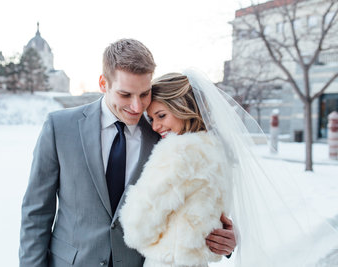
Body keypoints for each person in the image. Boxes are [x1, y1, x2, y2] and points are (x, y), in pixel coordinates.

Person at [19, 40, 235, 267]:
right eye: (125, 94)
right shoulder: (60, 127)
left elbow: (200, 203)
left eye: (144, 94)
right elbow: (36, 212)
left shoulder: (165, 135)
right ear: (104, 83)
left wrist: (226, 239)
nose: (137, 106)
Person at [120, 69, 338, 267]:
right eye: (152, 119)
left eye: (161, 115)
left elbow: (138, 225)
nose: (156, 126)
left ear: (184, 108)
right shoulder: (219, 151)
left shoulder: (178, 152)